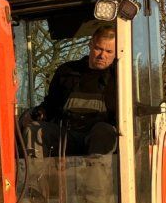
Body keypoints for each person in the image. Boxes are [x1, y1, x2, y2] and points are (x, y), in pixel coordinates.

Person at [22, 25, 118, 156]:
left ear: (117, 52)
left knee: (105, 131)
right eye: (98, 49)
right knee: (34, 130)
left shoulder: (119, 78)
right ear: (90, 45)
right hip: (67, 136)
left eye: (109, 51)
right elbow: (51, 104)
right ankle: (34, 174)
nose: (102, 55)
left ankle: (96, 173)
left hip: (97, 138)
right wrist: (39, 113)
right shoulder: (67, 71)